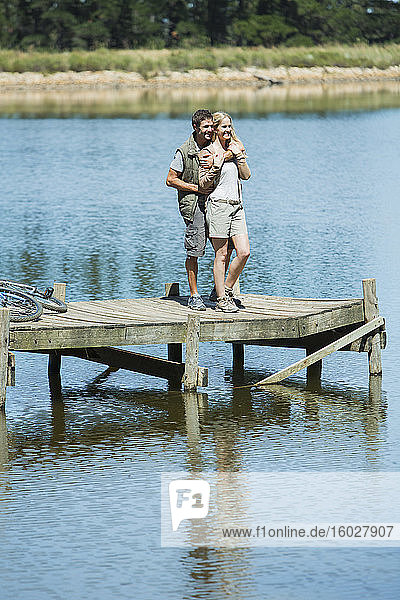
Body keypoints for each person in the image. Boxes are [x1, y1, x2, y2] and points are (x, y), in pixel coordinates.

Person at [198, 112, 251, 313]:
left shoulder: (235, 147)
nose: (228, 130)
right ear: (216, 129)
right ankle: (221, 299)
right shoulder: (208, 152)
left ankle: (226, 289)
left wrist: (239, 156)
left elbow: (246, 176)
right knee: (221, 255)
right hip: (218, 205)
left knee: (244, 251)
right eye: (224, 127)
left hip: (237, 206)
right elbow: (203, 184)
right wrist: (216, 166)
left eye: (230, 126)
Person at [165, 109, 214, 311]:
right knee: (194, 251)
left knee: (226, 247)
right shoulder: (184, 151)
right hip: (193, 206)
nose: (210, 130)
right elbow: (170, 180)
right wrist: (196, 188)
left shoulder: (216, 145)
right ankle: (194, 295)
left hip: (215, 204)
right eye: (206, 127)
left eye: (212, 126)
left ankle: (219, 290)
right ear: (195, 127)